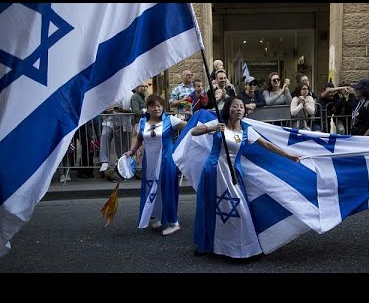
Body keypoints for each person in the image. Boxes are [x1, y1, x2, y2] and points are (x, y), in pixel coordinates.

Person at [190, 96, 301, 258]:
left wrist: (288, 155)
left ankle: (243, 248)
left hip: (233, 173)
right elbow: (194, 131)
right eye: (235, 106)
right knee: (210, 208)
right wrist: (212, 128)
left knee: (238, 207)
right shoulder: (219, 124)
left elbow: (267, 144)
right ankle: (207, 245)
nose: (238, 109)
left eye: (241, 106)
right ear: (228, 109)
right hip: (214, 171)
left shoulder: (247, 130)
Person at [124, 95, 187, 235]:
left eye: (159, 105)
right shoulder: (142, 122)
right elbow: (140, 138)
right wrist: (131, 151)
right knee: (154, 189)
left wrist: (179, 148)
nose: (157, 108)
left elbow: (189, 128)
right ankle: (159, 217)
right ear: (148, 108)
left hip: (166, 162)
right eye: (153, 106)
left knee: (168, 189)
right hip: (150, 163)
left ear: (163, 107)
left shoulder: (171, 120)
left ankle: (174, 222)